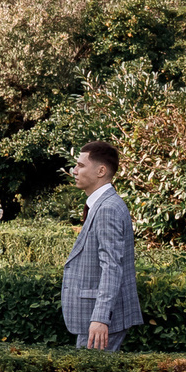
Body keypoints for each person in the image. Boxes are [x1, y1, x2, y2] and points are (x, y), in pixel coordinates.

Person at [60, 140, 142, 351]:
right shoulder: (103, 204)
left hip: (99, 322)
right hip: (94, 318)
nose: (74, 171)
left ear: (101, 171)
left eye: (81, 165)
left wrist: (100, 318)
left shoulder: (107, 208)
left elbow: (112, 267)